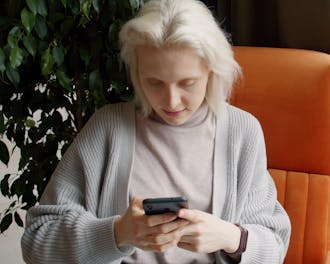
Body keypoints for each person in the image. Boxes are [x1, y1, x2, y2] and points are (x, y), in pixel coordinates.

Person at [20, 0, 291, 263]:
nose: (171, 101)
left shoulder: (241, 132)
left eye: (187, 83)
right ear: (136, 73)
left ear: (212, 71)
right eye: (155, 83)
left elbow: (274, 248)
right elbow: (37, 241)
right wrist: (118, 233)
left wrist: (231, 238)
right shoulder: (108, 128)